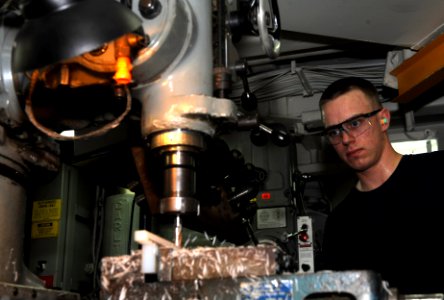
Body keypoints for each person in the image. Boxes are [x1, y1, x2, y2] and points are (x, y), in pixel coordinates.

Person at [318, 77, 444, 294]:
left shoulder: (438, 172)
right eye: (335, 132)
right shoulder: (340, 224)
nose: (346, 139)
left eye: (355, 123)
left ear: (383, 120)